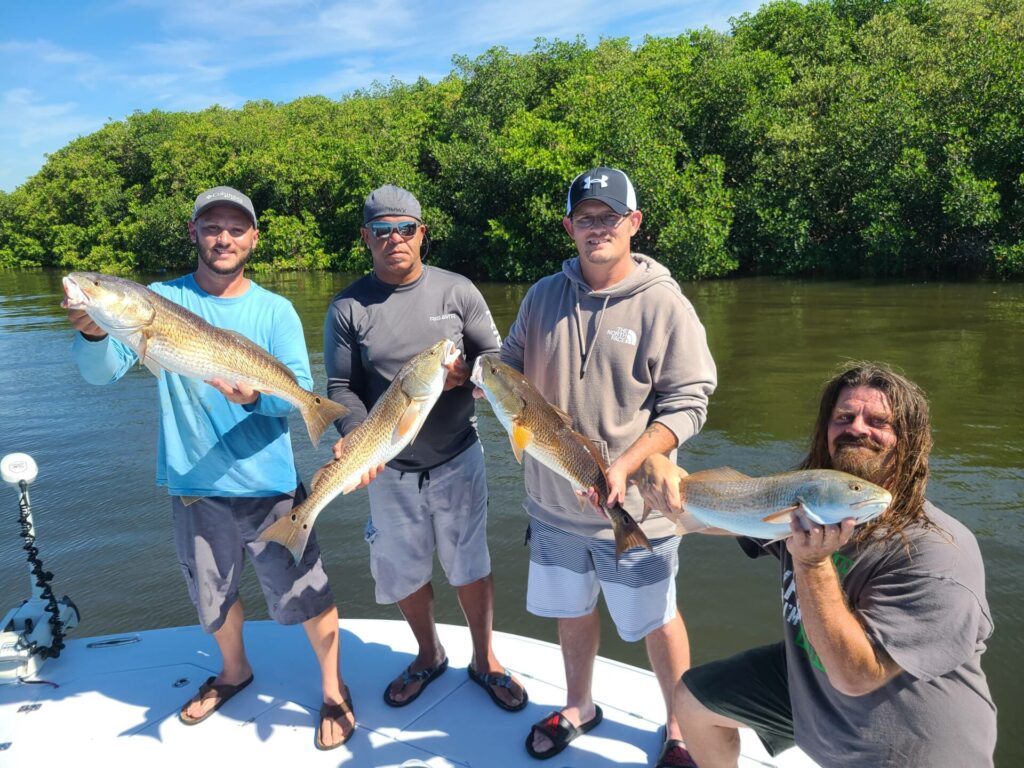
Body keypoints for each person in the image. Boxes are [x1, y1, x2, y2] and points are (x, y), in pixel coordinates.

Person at [65, 186, 355, 750]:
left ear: (253, 238)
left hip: (267, 482)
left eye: (236, 228)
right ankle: (233, 672)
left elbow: (297, 388)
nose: (224, 238)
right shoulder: (153, 300)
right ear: (194, 233)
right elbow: (101, 374)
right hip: (193, 483)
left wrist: (255, 397)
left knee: (305, 590)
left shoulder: (275, 309)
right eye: (212, 227)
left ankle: (333, 688)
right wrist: (92, 328)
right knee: (212, 594)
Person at [636, 363, 997, 768]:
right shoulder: (809, 503)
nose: (857, 428)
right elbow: (720, 516)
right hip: (817, 696)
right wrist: (657, 469)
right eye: (844, 417)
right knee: (694, 698)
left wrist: (811, 562)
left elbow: (857, 675)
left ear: (909, 441)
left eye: (879, 421)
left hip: (906, 748)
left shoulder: (940, 553)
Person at [497, 167, 717, 766]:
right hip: (552, 501)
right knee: (571, 610)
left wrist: (627, 463)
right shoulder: (543, 294)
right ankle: (579, 705)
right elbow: (508, 364)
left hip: (637, 507)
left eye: (610, 216)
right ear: (570, 227)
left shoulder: (664, 305)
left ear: (634, 223)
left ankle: (678, 725)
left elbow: (689, 402)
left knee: (658, 617)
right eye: (586, 218)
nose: (598, 228)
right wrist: (476, 376)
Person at [323, 184, 528, 712]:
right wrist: (357, 437)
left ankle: (485, 658)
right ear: (366, 238)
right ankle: (428, 653)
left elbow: (498, 362)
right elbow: (341, 388)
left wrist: (468, 377)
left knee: (470, 564)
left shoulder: (457, 292)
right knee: (402, 569)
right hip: (387, 466)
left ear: (422, 235)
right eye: (382, 230)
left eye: (405, 229)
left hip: (459, 455)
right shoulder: (348, 306)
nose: (395, 239)